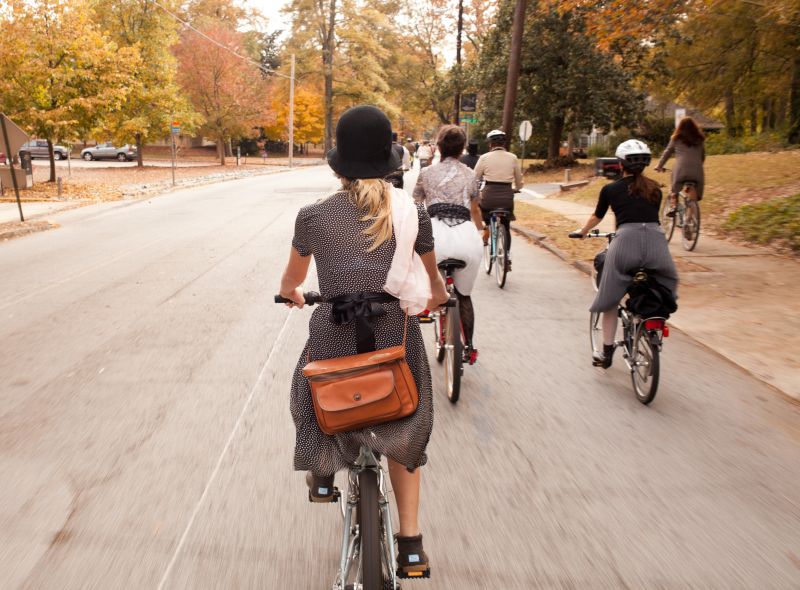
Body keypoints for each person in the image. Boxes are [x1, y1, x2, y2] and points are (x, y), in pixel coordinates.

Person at [279, 105, 448, 575]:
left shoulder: (312, 217)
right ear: (390, 161)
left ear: (339, 165)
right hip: (393, 334)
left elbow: (290, 282)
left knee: (307, 391)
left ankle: (322, 470)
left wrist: (292, 296)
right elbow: (434, 287)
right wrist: (434, 300)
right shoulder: (413, 215)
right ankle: (411, 542)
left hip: (334, 330)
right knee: (407, 421)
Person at [574, 139, 678, 368]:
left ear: (620, 165)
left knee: (610, 297)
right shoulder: (655, 190)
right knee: (665, 281)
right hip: (656, 243)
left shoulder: (610, 189)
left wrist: (582, 232)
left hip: (625, 243)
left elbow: (597, 217)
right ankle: (653, 319)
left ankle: (607, 351)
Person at [413, 125, 483, 358]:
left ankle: (426, 305)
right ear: (462, 149)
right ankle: (469, 347)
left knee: (429, 278)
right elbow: (475, 209)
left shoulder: (426, 174)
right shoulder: (471, 174)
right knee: (464, 295)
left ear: (439, 147)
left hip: (435, 237)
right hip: (466, 236)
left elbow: (414, 207)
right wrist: (481, 232)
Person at [473, 129, 523, 265]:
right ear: (504, 144)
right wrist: (517, 189)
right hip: (507, 196)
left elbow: (474, 178)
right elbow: (519, 180)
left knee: (486, 218)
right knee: (506, 226)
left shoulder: (484, 158)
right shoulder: (512, 157)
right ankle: (506, 256)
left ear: (490, 144)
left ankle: (487, 230)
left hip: (489, 196)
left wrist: (476, 190)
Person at [655, 116, 706, 216]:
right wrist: (697, 165)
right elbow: (702, 156)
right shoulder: (700, 139)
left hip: (680, 171)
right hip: (697, 171)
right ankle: (690, 220)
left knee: (674, 188)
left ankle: (673, 206)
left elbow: (667, 153)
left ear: (680, 127)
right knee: (693, 196)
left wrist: (659, 165)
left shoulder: (676, 138)